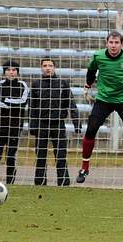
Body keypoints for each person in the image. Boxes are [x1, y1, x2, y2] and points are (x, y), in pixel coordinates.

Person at [76, 31, 123, 187]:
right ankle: (84, 167)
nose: (114, 45)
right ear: (106, 43)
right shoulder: (98, 56)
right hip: (104, 99)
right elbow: (91, 71)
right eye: (111, 42)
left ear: (121, 44)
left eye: (117, 43)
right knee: (91, 129)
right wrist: (87, 86)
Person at [29, 57, 81, 186]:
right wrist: (33, 127)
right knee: (41, 156)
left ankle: (63, 183)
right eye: (45, 65)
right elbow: (32, 108)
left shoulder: (62, 83)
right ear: (41, 68)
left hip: (58, 124)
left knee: (61, 155)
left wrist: (77, 124)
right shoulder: (36, 84)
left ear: (54, 67)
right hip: (42, 125)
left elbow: (71, 104)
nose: (48, 68)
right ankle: (40, 183)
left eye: (50, 65)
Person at [0, 60, 29, 184]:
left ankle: (10, 182)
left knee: (11, 155)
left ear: (17, 72)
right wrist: (12, 104)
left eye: (14, 70)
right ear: (4, 72)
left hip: (16, 126)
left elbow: (23, 102)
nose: (11, 72)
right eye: (8, 70)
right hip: (0, 124)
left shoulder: (23, 85)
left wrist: (6, 101)